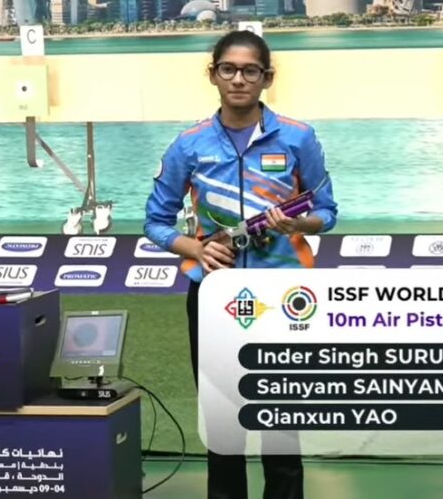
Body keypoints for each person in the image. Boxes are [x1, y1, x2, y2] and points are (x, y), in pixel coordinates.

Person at [144, 30, 338, 499]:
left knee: (282, 421)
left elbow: (328, 212)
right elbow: (155, 222)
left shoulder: (297, 137)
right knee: (223, 421)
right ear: (212, 75)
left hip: (284, 297)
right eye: (228, 69)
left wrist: (298, 225)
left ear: (267, 78)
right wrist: (196, 250)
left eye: (250, 71)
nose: (238, 79)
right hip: (214, 294)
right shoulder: (189, 144)